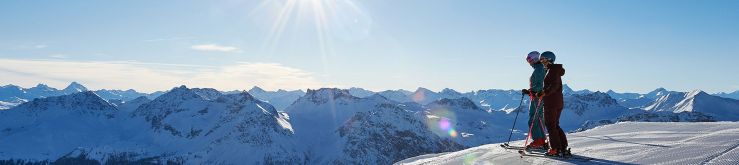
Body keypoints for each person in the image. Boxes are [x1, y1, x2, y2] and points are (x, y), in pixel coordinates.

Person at [538, 51, 571, 157]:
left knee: (551, 125)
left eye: (543, 59)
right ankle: (562, 146)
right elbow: (552, 86)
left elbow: (554, 86)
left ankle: (555, 149)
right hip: (556, 101)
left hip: (551, 102)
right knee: (554, 125)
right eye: (541, 59)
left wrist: (544, 92)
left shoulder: (552, 71)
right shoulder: (553, 70)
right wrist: (542, 92)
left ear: (550, 59)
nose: (541, 61)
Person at [522, 51, 547, 150]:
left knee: (533, 119)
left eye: (529, 59)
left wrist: (531, 91)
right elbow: (538, 84)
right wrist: (529, 92)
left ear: (535, 59)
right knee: (539, 118)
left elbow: (540, 85)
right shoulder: (539, 68)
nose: (529, 62)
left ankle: (538, 140)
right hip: (537, 96)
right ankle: (541, 140)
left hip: (538, 97)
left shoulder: (539, 69)